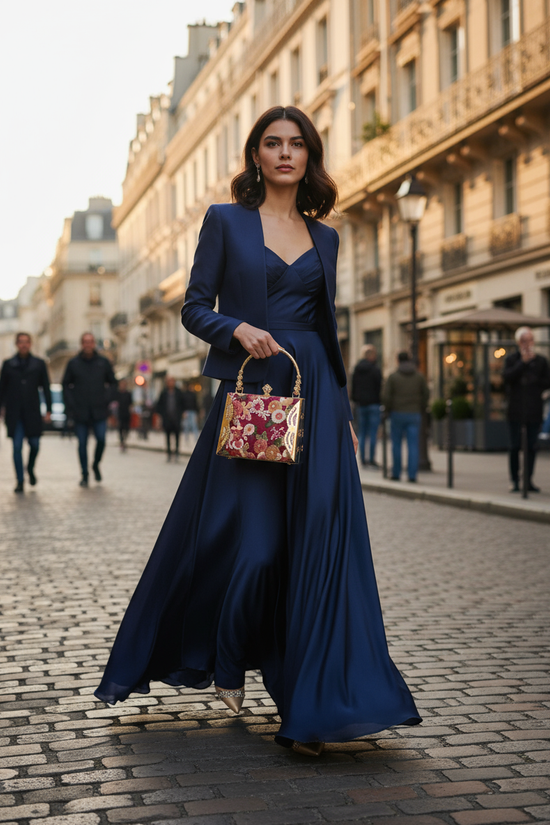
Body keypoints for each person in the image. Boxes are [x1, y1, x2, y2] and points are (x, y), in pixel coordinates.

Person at [95, 106, 420, 754]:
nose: (285, 153)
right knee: (257, 548)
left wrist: (344, 414)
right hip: (253, 401)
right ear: (256, 155)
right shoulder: (226, 221)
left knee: (317, 551)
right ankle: (227, 654)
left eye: (297, 144)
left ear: (309, 156)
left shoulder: (326, 237)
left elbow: (328, 330)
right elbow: (193, 307)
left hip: (317, 399)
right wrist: (235, 328)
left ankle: (310, 706)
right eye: (273, 143)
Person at [62, 332, 117, 487]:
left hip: (99, 410)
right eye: (85, 342)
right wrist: (71, 403)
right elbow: (65, 385)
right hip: (80, 411)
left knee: (101, 439)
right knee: (82, 444)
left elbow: (113, 383)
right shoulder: (73, 363)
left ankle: (95, 464)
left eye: (90, 341)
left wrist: (107, 399)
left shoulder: (103, 362)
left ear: (94, 344)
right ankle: (84, 473)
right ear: (82, 344)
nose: (88, 344)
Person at [0, 332, 52, 493]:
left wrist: (49, 409)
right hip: (14, 413)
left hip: (33, 412)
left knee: (35, 445)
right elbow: (2, 389)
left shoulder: (39, 364)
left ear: (30, 344)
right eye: (21, 342)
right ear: (17, 344)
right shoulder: (8, 364)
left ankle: (30, 468)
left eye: (26, 342)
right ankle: (20, 480)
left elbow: (46, 387)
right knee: (17, 447)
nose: (24, 345)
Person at [503, 326, 550, 492]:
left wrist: (534, 378)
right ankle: (515, 480)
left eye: (530, 340)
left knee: (531, 446)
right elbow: (507, 378)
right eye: (524, 341)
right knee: (515, 446)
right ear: (518, 342)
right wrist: (522, 363)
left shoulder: (541, 361)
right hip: (515, 410)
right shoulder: (512, 359)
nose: (527, 344)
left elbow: (547, 382)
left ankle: (528, 480)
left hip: (534, 410)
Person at [383, 351, 429, 483]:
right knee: (413, 445)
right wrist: (420, 407)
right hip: (414, 413)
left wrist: (388, 409)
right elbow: (426, 394)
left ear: (398, 360)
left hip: (397, 413)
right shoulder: (419, 376)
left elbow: (386, 396)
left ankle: (396, 473)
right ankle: (412, 475)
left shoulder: (393, 377)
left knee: (396, 444)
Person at [351, 344, 382, 467]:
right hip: (373, 404)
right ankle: (371, 459)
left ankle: (363, 459)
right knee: (373, 433)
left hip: (361, 404)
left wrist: (355, 399)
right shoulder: (375, 370)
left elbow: (353, 387)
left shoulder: (357, 369)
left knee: (362, 432)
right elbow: (379, 387)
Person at [155, 376, 185, 461]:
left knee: (177, 436)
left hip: (176, 418)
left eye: (172, 381)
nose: (171, 383)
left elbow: (183, 404)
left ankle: (177, 453)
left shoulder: (178, 392)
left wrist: (183, 413)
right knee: (167, 436)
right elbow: (159, 405)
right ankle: (168, 453)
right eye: (169, 381)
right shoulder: (164, 393)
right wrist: (160, 416)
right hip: (167, 418)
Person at [114, 379, 133, 452]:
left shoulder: (128, 394)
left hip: (127, 413)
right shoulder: (117, 394)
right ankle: (122, 441)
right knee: (120, 428)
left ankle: (124, 440)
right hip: (120, 413)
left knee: (127, 428)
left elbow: (131, 403)